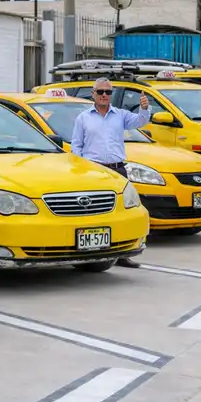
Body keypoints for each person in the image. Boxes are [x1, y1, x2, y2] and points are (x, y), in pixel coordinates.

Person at [69, 77, 151, 268]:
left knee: (122, 213)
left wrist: (144, 108)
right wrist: (81, 169)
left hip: (117, 170)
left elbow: (140, 121)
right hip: (94, 170)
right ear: (93, 94)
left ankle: (122, 253)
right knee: (94, 213)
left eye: (108, 92)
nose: (105, 95)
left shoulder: (120, 115)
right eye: (101, 92)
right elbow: (76, 145)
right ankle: (92, 252)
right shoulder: (83, 118)